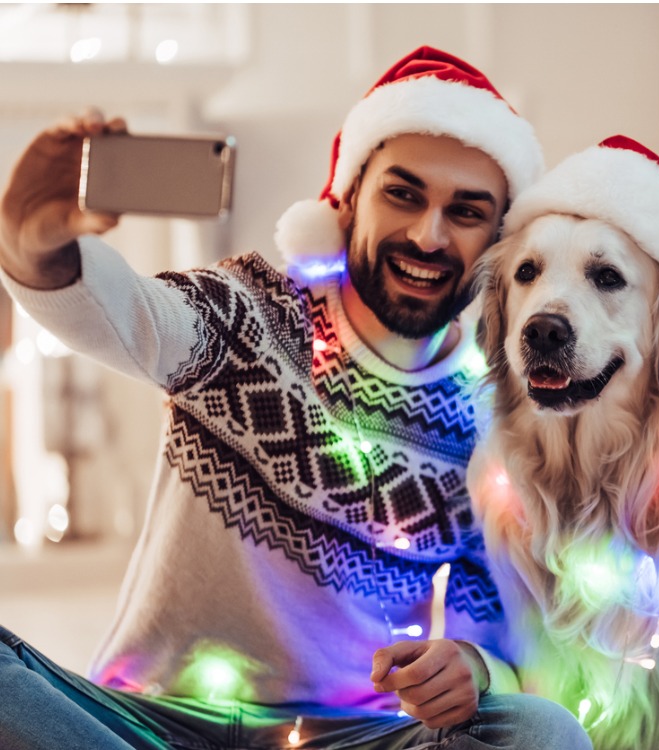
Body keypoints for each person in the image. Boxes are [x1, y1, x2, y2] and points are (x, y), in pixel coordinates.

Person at [0, 46, 592, 750]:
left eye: (465, 213)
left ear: (496, 241)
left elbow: (504, 645)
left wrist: (473, 666)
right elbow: (117, 312)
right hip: (142, 725)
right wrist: (29, 241)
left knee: (541, 733)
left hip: (343, 735)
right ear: (346, 202)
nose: (429, 235)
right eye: (403, 194)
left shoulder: (493, 423)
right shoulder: (250, 315)